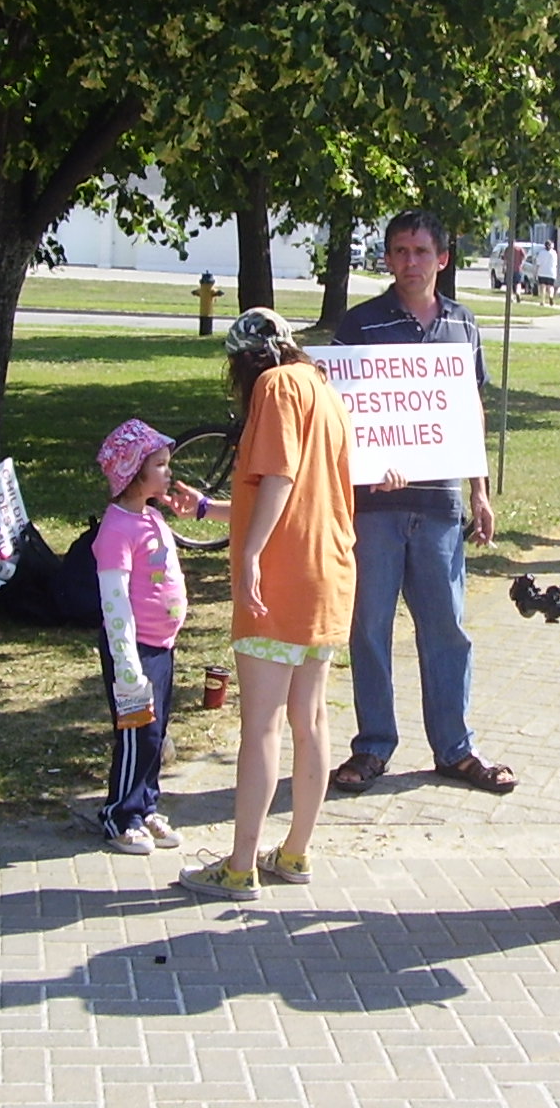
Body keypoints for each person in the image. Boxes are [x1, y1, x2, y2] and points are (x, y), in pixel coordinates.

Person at [327, 210, 514, 798]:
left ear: (443, 258)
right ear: (387, 259)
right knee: (369, 629)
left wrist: (480, 490)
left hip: (439, 506)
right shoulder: (359, 326)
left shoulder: (464, 326)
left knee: (447, 629)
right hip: (374, 507)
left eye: (420, 251)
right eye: (399, 251)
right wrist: (361, 465)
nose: (410, 261)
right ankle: (373, 746)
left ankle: (455, 748)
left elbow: (469, 414)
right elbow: (337, 415)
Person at [179, 307, 357, 901]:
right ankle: (297, 852)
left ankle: (238, 866)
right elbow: (302, 492)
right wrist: (210, 511)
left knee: (261, 724)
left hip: (280, 578)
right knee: (312, 719)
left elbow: (279, 479)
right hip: (328, 573)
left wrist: (251, 554)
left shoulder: (276, 386)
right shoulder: (324, 392)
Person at [91, 418, 199, 855]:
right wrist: (126, 662)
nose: (169, 471)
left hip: (161, 646)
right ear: (135, 474)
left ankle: (146, 803)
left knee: (157, 731)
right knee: (138, 732)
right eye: (160, 465)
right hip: (133, 651)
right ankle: (121, 814)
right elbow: (114, 599)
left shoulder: (151, 517)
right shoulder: (117, 529)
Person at [535, 239, 560, 305]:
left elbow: (538, 263)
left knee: (542, 287)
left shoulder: (541, 252)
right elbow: (556, 264)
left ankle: (542, 301)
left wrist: (536, 273)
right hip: (551, 272)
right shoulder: (554, 253)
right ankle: (551, 296)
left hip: (542, 272)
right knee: (550, 286)